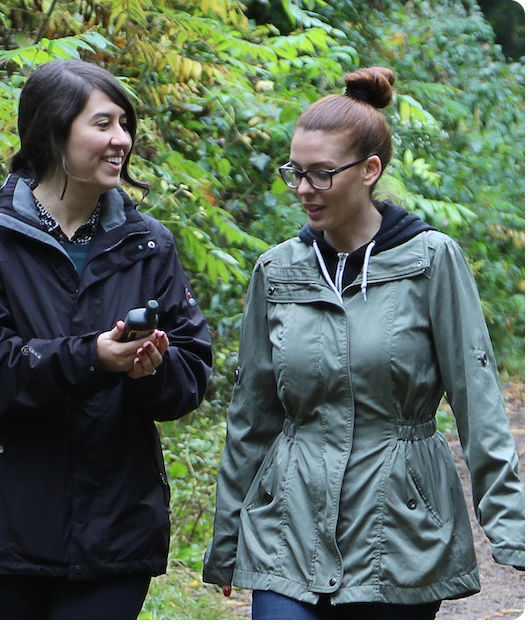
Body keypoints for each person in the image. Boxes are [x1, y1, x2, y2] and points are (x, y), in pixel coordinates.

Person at [202, 66, 524, 620]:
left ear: (370, 170)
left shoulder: (430, 260)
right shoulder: (276, 271)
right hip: (288, 524)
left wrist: (510, 526)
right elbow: (252, 414)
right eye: (295, 173)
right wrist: (228, 536)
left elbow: (478, 398)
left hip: (396, 527)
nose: (303, 190)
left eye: (321, 174)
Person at [0, 59, 212, 620]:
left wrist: (149, 368)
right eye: (103, 124)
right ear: (53, 132)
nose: (122, 140)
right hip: (2, 530)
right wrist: (92, 357)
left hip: (114, 532)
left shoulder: (149, 244)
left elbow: (192, 370)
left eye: (125, 125)